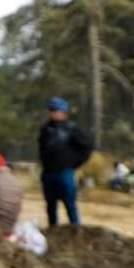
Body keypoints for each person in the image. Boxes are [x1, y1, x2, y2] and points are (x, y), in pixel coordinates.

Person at [38, 97, 93, 226]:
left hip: (64, 172)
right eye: (50, 109)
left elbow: (86, 147)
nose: (52, 112)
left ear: (63, 112)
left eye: (55, 109)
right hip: (48, 173)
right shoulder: (45, 129)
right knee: (50, 206)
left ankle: (75, 230)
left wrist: (75, 163)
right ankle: (53, 231)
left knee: (70, 205)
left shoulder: (71, 128)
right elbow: (41, 148)